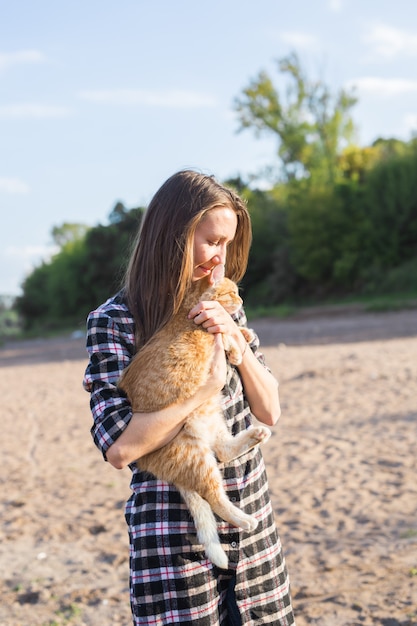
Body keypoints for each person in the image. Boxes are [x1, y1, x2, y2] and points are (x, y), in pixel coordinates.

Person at [83, 170, 295, 626]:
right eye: (212, 242)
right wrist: (203, 390)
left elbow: (270, 410)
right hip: (173, 545)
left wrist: (236, 342)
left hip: (253, 533)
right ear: (172, 236)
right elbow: (121, 447)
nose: (220, 258)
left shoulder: (223, 302)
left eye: (228, 245)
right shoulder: (115, 320)